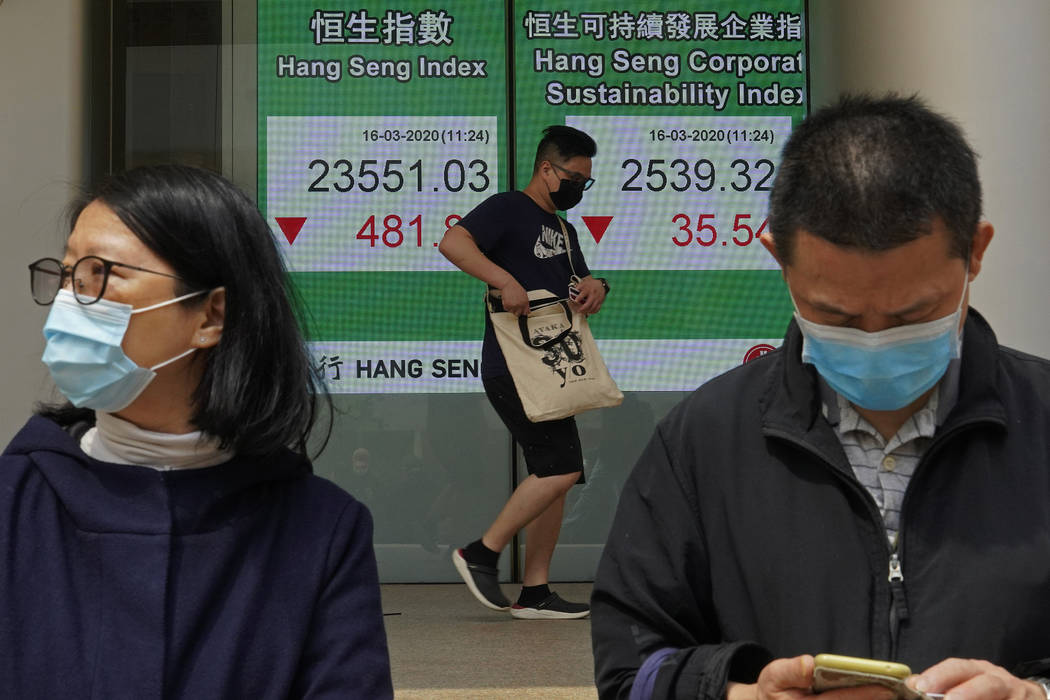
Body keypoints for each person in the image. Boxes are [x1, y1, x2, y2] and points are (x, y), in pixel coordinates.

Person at [590, 95, 1050, 699]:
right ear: (778, 257)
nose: (876, 342)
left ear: (976, 252)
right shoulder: (704, 441)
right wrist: (741, 694)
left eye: (915, 314)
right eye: (835, 314)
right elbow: (631, 673)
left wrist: (1033, 695)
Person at [2, 164, 393, 698]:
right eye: (69, 277)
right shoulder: (13, 505)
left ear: (211, 315)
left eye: (102, 276)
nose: (70, 303)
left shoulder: (321, 531)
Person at [439, 125, 609, 619]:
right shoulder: (509, 207)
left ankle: (535, 591)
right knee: (561, 468)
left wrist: (598, 286)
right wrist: (503, 278)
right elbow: (453, 242)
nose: (578, 188)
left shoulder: (564, 230)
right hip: (514, 364)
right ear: (546, 169)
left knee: (554, 475)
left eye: (586, 181)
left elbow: (576, 282)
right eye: (574, 177)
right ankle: (482, 553)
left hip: (552, 366)